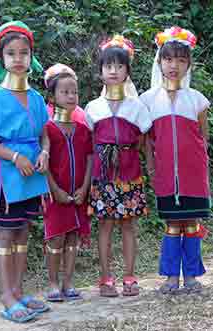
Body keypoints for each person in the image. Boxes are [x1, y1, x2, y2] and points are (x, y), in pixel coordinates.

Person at [0, 21, 50, 322]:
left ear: (31, 57)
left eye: (24, 53)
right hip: (7, 179)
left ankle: (18, 292)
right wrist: (15, 156)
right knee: (5, 235)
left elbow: (44, 135)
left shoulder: (38, 98)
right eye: (11, 53)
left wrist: (44, 153)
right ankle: (6, 297)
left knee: (22, 233)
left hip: (32, 179)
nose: (18, 59)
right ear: (1, 59)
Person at [140, 26, 211, 294]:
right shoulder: (148, 100)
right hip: (166, 173)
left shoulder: (197, 101)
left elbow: (203, 138)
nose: (174, 65)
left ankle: (191, 276)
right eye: (168, 59)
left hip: (193, 174)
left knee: (191, 224)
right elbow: (147, 139)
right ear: (159, 62)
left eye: (181, 60)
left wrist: (202, 169)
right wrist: (150, 163)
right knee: (171, 224)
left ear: (188, 65)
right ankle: (170, 277)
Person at [85, 35, 152, 297]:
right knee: (105, 226)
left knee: (128, 226)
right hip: (103, 178)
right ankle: (105, 278)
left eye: (119, 66)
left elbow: (144, 141)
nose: (113, 71)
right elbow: (89, 146)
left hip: (130, 174)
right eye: (108, 66)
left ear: (127, 71)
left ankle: (130, 277)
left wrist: (153, 169)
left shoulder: (137, 107)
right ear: (100, 72)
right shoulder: (92, 108)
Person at [42, 63, 93, 301]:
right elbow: (45, 165)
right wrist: (55, 190)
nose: (71, 96)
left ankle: (68, 282)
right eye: (65, 92)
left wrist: (85, 187)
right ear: (52, 97)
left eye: (74, 92)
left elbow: (90, 158)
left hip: (79, 194)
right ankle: (52, 283)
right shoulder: (48, 129)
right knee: (56, 237)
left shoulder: (83, 129)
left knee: (73, 236)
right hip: (57, 195)